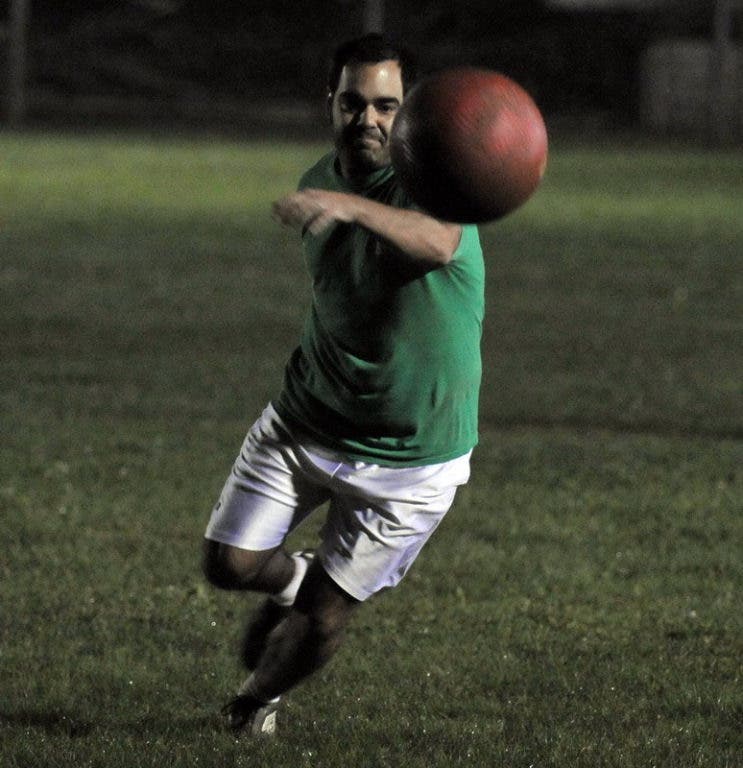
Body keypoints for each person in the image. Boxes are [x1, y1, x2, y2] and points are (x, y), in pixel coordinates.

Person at [202, 32, 485, 736]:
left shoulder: (439, 181)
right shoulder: (318, 179)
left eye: (387, 106)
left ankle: (251, 705)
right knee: (229, 564)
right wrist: (339, 202)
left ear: (410, 112)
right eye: (353, 103)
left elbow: (437, 242)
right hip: (307, 418)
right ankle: (294, 578)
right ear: (329, 103)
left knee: (325, 619)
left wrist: (352, 207)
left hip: (412, 455)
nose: (368, 120)